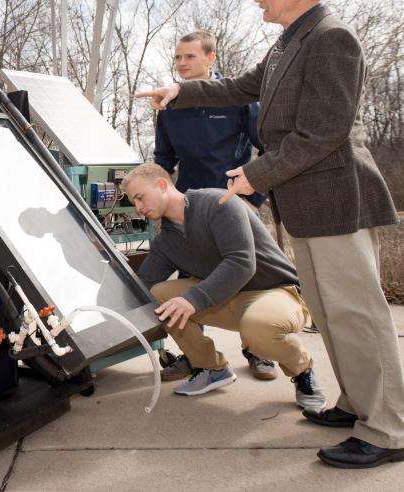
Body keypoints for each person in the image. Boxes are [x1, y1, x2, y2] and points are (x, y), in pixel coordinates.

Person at [137, 0, 403, 469]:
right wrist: (180, 90)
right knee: (332, 315)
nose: (256, 1)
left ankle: (388, 427)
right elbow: (241, 87)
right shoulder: (289, 42)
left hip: (337, 199)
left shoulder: (330, 37)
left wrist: (256, 175)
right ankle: (359, 405)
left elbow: (323, 133)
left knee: (357, 315)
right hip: (305, 207)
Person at [121, 164, 324, 411]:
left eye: (140, 197)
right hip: (227, 300)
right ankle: (210, 367)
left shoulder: (219, 203)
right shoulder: (167, 240)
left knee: (258, 330)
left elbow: (241, 263)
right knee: (158, 295)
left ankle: (303, 370)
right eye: (134, 202)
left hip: (275, 291)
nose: (138, 208)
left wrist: (193, 298)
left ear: (162, 185)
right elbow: (144, 284)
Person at [154, 30, 273, 382]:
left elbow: (267, 150)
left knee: (249, 275)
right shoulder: (169, 106)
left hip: (235, 205)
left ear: (211, 58)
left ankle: (259, 350)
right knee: (190, 280)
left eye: (190, 56)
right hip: (188, 210)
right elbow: (164, 159)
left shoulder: (238, 99)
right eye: (177, 57)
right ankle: (197, 356)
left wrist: (253, 199)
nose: (182, 63)